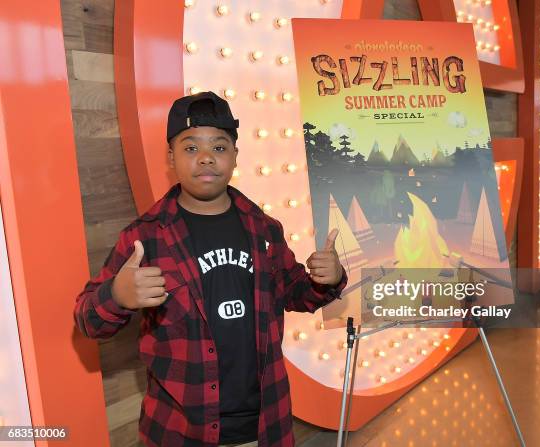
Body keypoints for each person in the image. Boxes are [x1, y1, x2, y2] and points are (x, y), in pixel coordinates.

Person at [74, 92, 347, 447]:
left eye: (219, 148)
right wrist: (118, 296)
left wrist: (329, 279)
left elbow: (295, 292)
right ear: (171, 157)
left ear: (235, 156)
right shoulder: (145, 237)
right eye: (190, 148)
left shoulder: (264, 228)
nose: (205, 158)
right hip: (180, 431)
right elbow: (87, 321)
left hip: (266, 426)